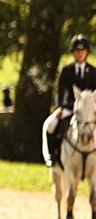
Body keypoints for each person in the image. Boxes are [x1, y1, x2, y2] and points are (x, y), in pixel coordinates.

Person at [44, 34, 96, 165]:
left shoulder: (93, 71)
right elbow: (61, 90)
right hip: (69, 107)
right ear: (73, 52)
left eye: (82, 50)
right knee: (50, 125)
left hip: (88, 110)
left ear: (87, 52)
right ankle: (52, 155)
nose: (80, 53)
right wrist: (59, 107)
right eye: (77, 51)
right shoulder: (66, 70)